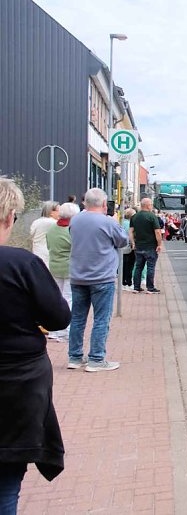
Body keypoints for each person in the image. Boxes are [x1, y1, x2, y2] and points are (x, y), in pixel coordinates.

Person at [0, 178, 69, 512]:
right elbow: (58, 318)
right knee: (5, 485)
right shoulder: (22, 265)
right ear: (11, 217)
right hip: (17, 385)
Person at [67, 188, 129, 371]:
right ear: (103, 204)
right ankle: (96, 359)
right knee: (101, 319)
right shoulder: (107, 222)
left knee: (77, 318)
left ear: (85, 202)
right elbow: (122, 241)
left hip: (78, 276)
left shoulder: (75, 220)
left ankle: (75, 357)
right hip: (102, 277)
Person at [45, 202, 80, 341]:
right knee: (68, 299)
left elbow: (48, 246)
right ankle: (65, 331)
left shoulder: (52, 228)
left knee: (56, 298)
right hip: (70, 268)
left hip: (54, 266)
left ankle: (54, 330)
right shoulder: (72, 230)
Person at [129, 197, 163, 294]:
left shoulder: (134, 217)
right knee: (150, 267)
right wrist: (159, 244)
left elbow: (131, 231)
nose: (152, 206)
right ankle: (150, 288)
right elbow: (157, 232)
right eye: (151, 204)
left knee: (138, 266)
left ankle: (136, 287)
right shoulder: (152, 217)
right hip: (151, 246)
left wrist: (133, 242)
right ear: (148, 205)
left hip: (138, 246)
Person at [29, 201, 60, 266]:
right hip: (47, 255)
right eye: (58, 210)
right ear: (51, 212)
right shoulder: (52, 222)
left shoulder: (36, 222)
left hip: (36, 251)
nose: (60, 213)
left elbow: (31, 233)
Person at [119, 208, 136, 291]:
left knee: (123, 265)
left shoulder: (121, 223)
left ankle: (123, 282)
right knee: (130, 265)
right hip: (130, 247)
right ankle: (128, 282)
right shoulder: (131, 224)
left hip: (122, 247)